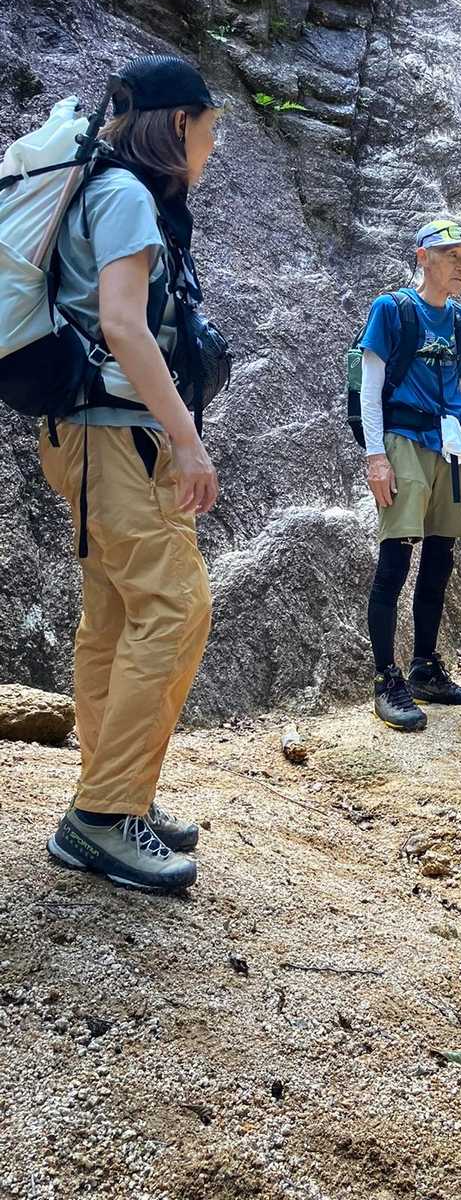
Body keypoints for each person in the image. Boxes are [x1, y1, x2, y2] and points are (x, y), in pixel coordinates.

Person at [40, 55, 221, 892]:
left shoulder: (98, 186)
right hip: (120, 440)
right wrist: (186, 440)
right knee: (176, 608)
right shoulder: (125, 197)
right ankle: (105, 817)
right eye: (209, 129)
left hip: (87, 438)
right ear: (178, 122)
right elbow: (124, 324)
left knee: (114, 617)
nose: (211, 146)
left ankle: (113, 793)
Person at [358, 218, 461, 733]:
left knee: (440, 558)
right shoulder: (392, 309)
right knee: (395, 560)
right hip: (403, 441)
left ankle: (425, 669)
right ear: (422, 258)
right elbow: (370, 386)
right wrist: (376, 456)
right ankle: (385, 679)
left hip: (449, 445)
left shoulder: (460, 320)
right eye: (452, 256)